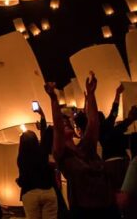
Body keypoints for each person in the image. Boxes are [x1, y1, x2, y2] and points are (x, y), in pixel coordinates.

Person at [44, 75, 120, 219]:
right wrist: (53, 99)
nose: (66, 124)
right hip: (85, 212)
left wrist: (91, 94)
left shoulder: (85, 147)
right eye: (63, 124)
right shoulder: (61, 154)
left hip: (108, 208)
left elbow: (93, 123)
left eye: (69, 123)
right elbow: (59, 129)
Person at [16, 130, 58, 219]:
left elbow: (23, 179)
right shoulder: (44, 153)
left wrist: (18, 181)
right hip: (48, 191)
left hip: (30, 193)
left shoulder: (21, 158)